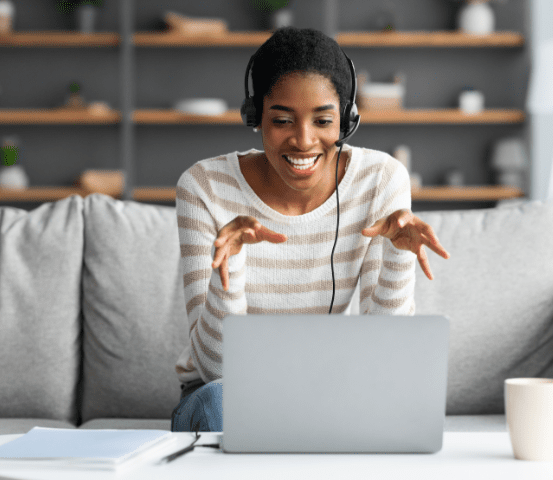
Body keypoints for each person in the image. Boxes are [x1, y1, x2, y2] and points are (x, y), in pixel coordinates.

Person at [171, 26, 450, 432]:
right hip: (221, 394)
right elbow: (217, 369)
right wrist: (229, 268)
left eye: (323, 120)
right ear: (255, 117)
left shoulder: (381, 179)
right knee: (221, 402)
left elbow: (387, 356)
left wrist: (397, 256)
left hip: (326, 386)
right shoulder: (204, 187)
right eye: (282, 120)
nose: (303, 141)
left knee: (393, 407)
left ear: (347, 120)